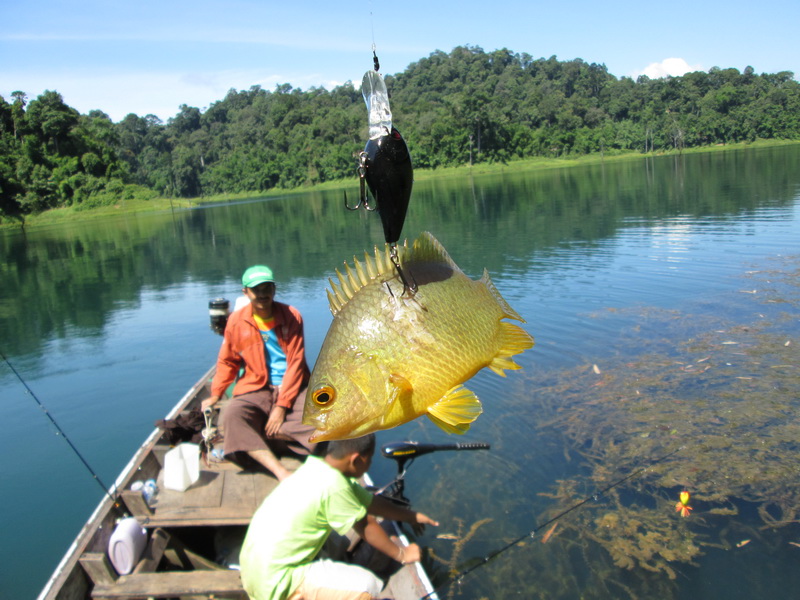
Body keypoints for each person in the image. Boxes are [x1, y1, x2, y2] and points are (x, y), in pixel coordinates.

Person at [240, 434, 439, 600]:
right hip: (275, 584)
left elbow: (370, 502)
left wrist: (411, 516)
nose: (369, 464)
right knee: (368, 587)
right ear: (356, 459)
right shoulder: (335, 487)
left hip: (254, 573)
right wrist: (403, 555)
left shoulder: (317, 468)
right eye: (369, 459)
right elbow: (366, 525)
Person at [202, 265, 316, 481]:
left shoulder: (292, 316)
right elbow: (228, 361)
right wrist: (216, 394)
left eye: (267, 288)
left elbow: (296, 363)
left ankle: (266, 435)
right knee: (232, 416)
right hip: (257, 386)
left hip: (294, 385)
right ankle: (280, 469)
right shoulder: (236, 321)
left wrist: (281, 407)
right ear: (246, 292)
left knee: (323, 420)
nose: (263, 294)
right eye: (256, 290)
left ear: (274, 288)